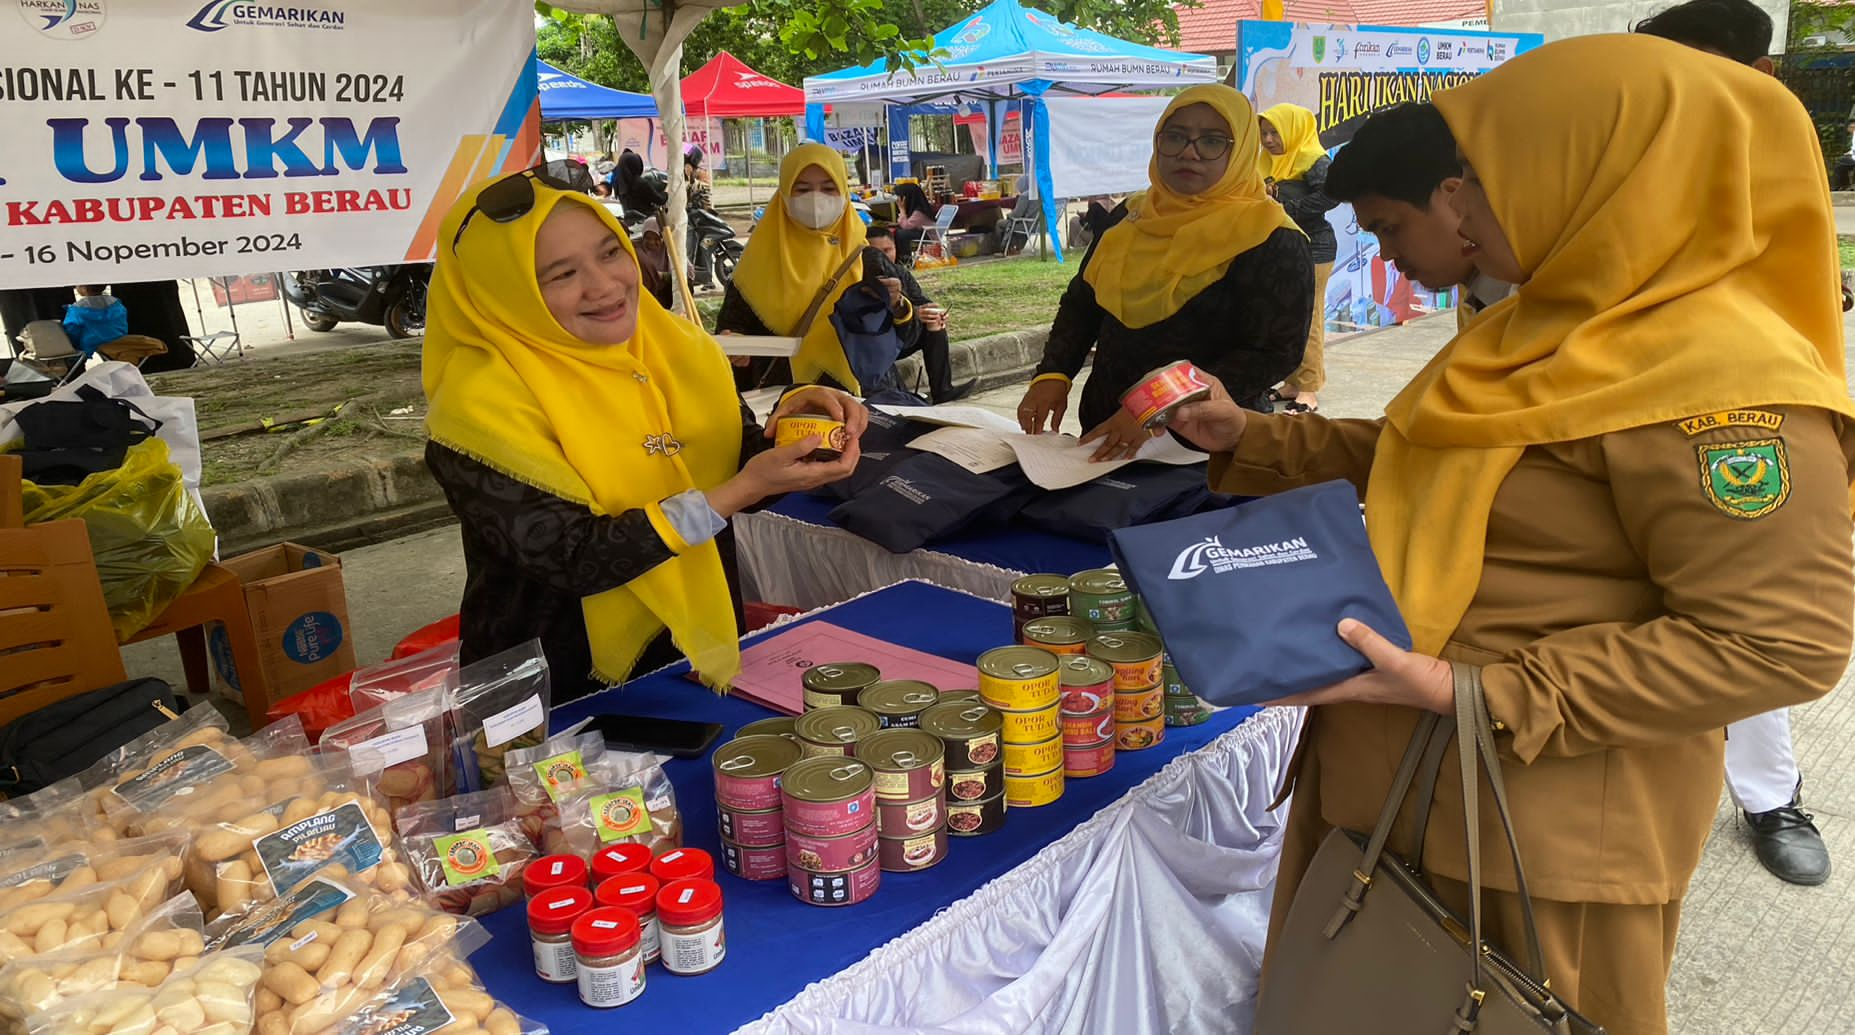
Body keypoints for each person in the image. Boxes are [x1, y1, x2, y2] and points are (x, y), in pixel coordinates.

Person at [1171, 36, 1855, 1033]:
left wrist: (1477, 690)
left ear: (1604, 171)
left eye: (1484, 180)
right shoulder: (1546, 328)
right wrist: (1262, 441)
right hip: (1394, 779)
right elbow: (1446, 457)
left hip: (1535, 828)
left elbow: (1776, 642)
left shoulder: (1728, 386)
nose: (1460, 209)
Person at [422, 160, 867, 698]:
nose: (605, 285)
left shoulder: (675, 348)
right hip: (554, 687)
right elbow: (577, 557)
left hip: (690, 649)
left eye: (610, 252)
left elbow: (735, 462)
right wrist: (736, 492)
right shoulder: (478, 408)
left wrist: (805, 417)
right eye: (562, 274)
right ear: (503, 293)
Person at [1634, 0, 1836, 889]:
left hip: (1741, 408)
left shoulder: (1771, 146)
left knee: (1747, 604)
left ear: (1748, 75)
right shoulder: (1631, 146)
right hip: (1622, 400)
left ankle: (1768, 795)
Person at [1016, 84, 1313, 461]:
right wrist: (1053, 375)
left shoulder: (1272, 238)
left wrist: (1158, 405)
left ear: (1240, 151)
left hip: (1202, 446)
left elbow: (1274, 353)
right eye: (1175, 137)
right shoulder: (1131, 216)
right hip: (1105, 429)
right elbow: (1083, 303)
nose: (1189, 152)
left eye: (1212, 141)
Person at [715, 144, 922, 395]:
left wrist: (899, 305)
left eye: (828, 188)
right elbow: (730, 333)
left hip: (866, 401)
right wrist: (735, 348)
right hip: (787, 404)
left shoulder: (867, 260)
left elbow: (909, 338)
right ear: (783, 195)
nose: (816, 199)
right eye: (802, 189)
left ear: (845, 193)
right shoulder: (755, 266)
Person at [1323, 102, 1511, 328]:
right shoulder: (1479, 298)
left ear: (1456, 199)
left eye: (1390, 229)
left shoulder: (1531, 309)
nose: (1386, 254)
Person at [1258, 103, 1338, 415]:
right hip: (1284, 248)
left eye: (1274, 132)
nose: (1267, 139)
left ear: (1293, 129)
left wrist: (1290, 212)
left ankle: (1308, 389)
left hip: (1314, 249)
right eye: (1264, 133)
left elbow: (1331, 195)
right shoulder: (1269, 161)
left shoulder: (1314, 160)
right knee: (1288, 317)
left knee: (1310, 318)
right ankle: (1292, 383)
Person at [867, 226, 973, 403]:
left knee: (935, 323)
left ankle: (942, 390)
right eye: (875, 252)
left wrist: (930, 312)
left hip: (902, 337)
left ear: (896, 249)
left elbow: (921, 300)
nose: (883, 258)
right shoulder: (859, 279)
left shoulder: (900, 273)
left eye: (887, 250)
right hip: (875, 344)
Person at [60, 285, 128, 359]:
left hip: (90, 346)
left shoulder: (76, 310)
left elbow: (71, 332)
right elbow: (122, 325)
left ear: (84, 288)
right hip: (118, 343)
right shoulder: (117, 304)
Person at [684, 146, 718, 290]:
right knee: (688, 249)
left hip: (690, 215)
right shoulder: (686, 168)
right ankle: (688, 279)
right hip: (685, 219)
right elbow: (688, 188)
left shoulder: (688, 169)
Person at [633, 217, 675, 310]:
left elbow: (686, 275)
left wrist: (663, 276)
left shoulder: (671, 249)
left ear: (663, 237)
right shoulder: (636, 249)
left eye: (656, 238)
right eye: (647, 238)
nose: (651, 242)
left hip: (666, 297)